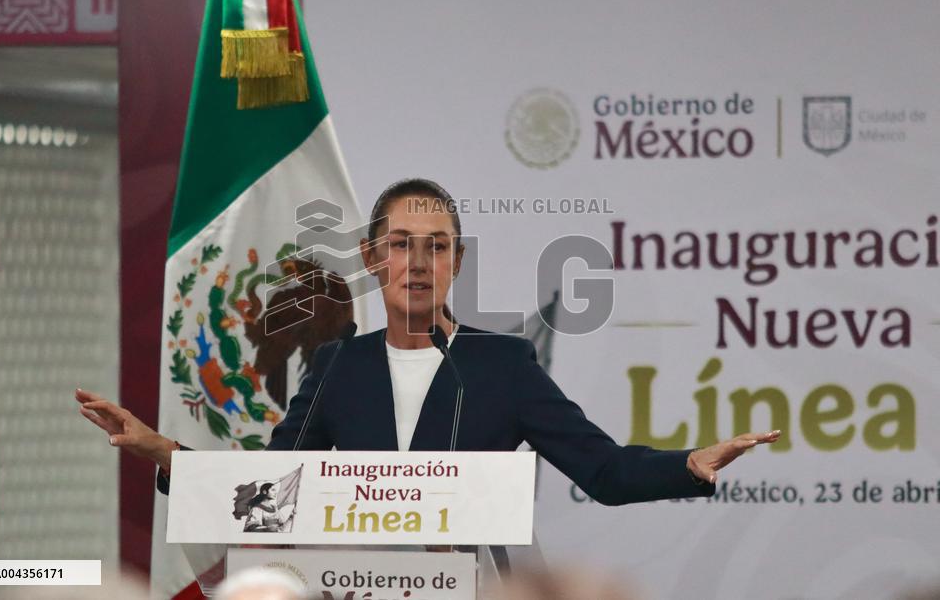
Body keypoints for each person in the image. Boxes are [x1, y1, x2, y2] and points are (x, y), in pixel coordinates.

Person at [77, 178, 780, 505]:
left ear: (457, 263)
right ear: (374, 258)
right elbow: (269, 489)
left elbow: (602, 471)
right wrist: (159, 450)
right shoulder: (335, 365)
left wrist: (689, 463)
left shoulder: (501, 365)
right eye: (402, 246)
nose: (418, 263)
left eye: (437, 247)